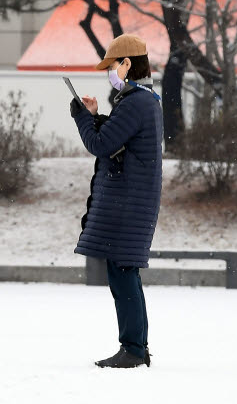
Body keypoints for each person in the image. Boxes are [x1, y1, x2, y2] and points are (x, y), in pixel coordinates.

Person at [69, 34, 163, 369]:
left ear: (127, 64)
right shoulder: (143, 100)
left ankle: (134, 349)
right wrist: (96, 116)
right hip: (133, 200)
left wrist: (82, 118)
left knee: (123, 275)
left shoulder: (136, 101)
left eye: (113, 66)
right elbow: (118, 139)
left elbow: (100, 144)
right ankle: (136, 347)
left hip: (129, 203)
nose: (110, 72)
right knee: (126, 274)